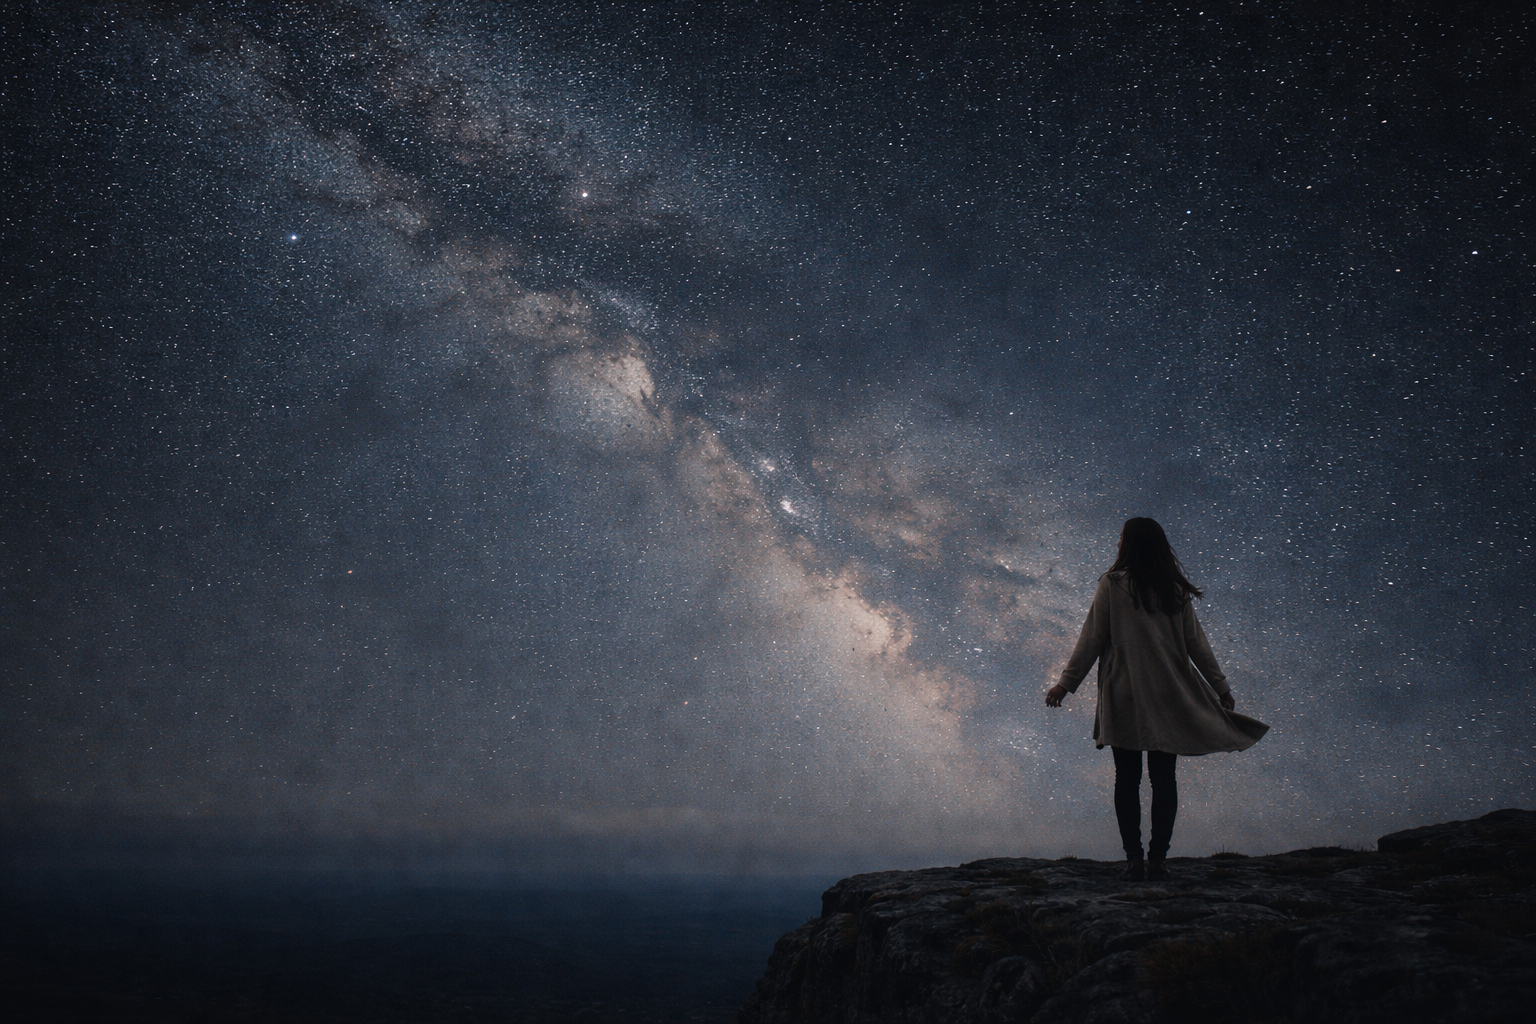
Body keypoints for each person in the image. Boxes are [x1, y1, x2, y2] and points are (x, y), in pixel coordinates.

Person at [1045, 517, 1268, 881]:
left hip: (1125, 694)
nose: (1116, 544)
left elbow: (1091, 639)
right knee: (1164, 779)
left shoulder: (1114, 585)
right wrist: (1220, 687)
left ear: (1129, 544)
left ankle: (1134, 859)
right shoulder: (1174, 590)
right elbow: (1198, 644)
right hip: (1168, 695)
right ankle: (1158, 860)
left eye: (1120, 539)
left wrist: (1065, 685)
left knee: (1127, 779)